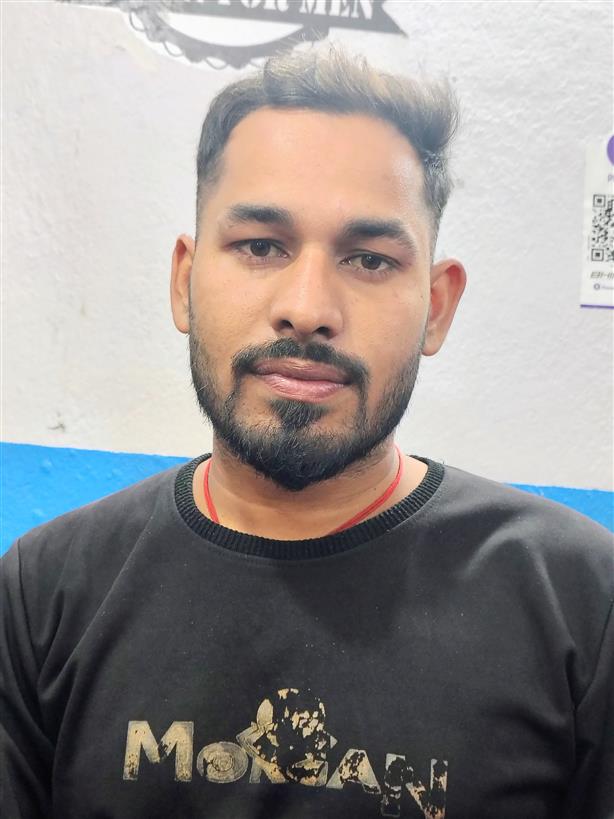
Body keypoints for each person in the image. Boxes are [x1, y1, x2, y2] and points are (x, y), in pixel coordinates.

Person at [1, 45, 612, 819]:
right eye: (261, 246)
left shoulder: (582, 605)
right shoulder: (42, 596)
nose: (308, 307)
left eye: (369, 259)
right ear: (185, 282)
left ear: (437, 306)